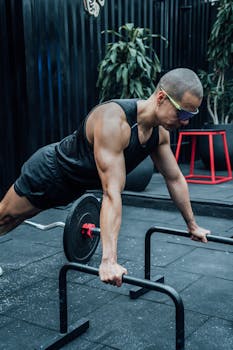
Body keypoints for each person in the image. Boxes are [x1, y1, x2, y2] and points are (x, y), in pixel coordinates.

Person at [0, 68, 210, 285]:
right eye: (183, 113)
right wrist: (108, 260)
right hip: (50, 173)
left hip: (73, 187)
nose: (185, 122)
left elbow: (174, 178)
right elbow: (111, 193)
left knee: (18, 218)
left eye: (190, 116)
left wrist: (192, 225)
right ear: (161, 98)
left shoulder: (160, 133)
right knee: (6, 217)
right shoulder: (114, 120)